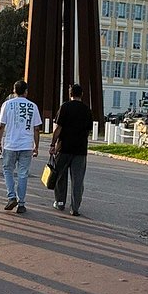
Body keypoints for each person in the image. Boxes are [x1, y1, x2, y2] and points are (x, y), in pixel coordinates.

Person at [0, 80, 41, 214]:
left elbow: (1, 126)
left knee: (8, 170)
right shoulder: (33, 106)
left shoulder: (7, 104)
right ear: (26, 91)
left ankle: (11, 196)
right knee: (23, 174)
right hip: (26, 145)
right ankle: (21, 203)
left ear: (14, 90)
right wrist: (36, 146)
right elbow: (36, 129)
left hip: (10, 144)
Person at [51, 84, 94, 216]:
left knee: (60, 176)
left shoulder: (65, 107)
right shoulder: (87, 109)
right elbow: (88, 130)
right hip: (80, 149)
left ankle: (60, 202)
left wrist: (53, 144)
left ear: (70, 94)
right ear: (82, 94)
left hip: (64, 147)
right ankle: (75, 207)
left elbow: (58, 128)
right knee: (77, 179)